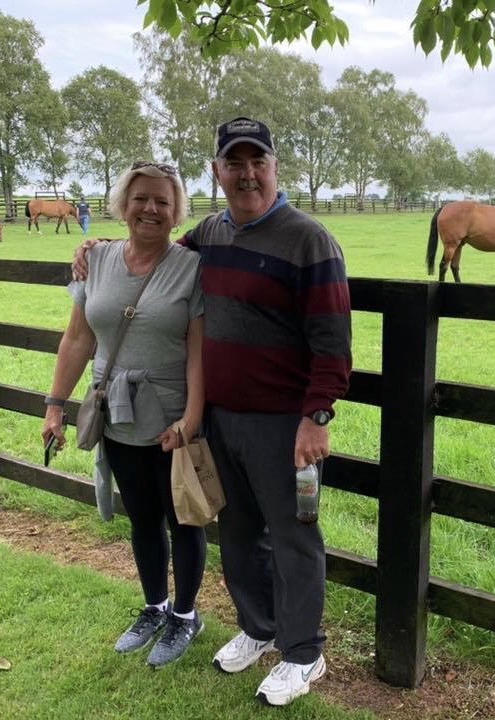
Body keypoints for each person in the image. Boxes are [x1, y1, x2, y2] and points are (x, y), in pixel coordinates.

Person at [73, 117, 352, 706]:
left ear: (276, 167)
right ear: (217, 171)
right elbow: (154, 252)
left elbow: (332, 339)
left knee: (295, 536)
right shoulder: (210, 234)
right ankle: (259, 628)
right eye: (234, 162)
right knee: (241, 531)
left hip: (284, 421)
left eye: (258, 161)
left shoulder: (309, 240)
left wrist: (316, 416)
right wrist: (98, 249)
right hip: (221, 418)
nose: (247, 173)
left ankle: (303, 653)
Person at [44, 161, 207, 669]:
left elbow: (201, 353)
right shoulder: (97, 259)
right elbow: (78, 337)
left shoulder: (193, 268)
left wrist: (191, 421)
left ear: (177, 211)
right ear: (123, 204)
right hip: (114, 413)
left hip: (170, 420)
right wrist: (54, 404)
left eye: (163, 201)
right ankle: (154, 607)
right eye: (141, 198)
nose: (151, 209)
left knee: (183, 520)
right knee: (141, 518)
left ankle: (185, 616)